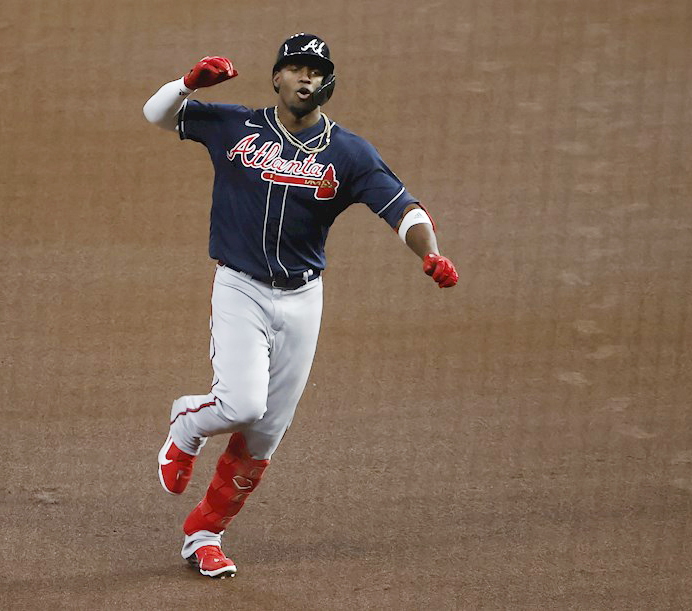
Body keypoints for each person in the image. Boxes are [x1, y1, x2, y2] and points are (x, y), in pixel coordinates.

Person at [142, 33, 459, 579]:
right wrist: (188, 83)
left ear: (327, 83)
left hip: (303, 299)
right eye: (294, 67)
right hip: (240, 287)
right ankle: (186, 425)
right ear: (276, 77)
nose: (305, 76)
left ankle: (204, 535)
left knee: (264, 436)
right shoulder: (235, 126)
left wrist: (429, 252)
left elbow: (404, 209)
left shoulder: (348, 152)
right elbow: (157, 115)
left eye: (315, 70)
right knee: (242, 405)